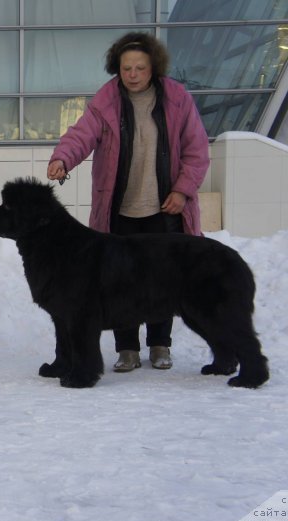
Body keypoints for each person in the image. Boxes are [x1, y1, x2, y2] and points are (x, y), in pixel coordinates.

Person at [46, 32, 210, 373]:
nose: (133, 75)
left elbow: (196, 150)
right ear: (117, 69)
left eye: (140, 68)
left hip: (165, 209)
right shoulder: (106, 100)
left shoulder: (177, 98)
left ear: (154, 68)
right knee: (118, 282)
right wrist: (63, 158)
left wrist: (182, 191)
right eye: (126, 68)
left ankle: (160, 345)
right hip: (118, 211)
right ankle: (127, 349)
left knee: (163, 278)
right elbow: (81, 135)